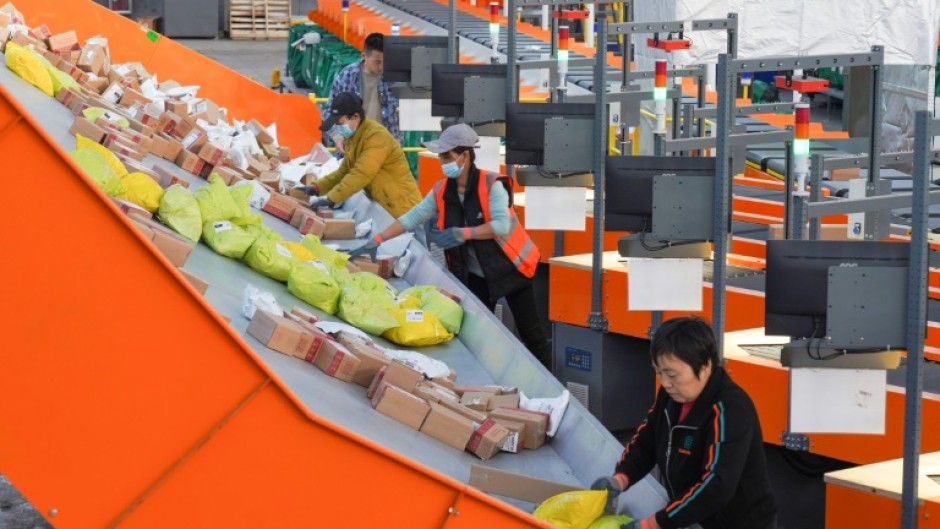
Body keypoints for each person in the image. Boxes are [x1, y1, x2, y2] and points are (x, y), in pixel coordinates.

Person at [348, 124, 552, 366]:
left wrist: (461, 233)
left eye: (447, 156)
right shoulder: (442, 191)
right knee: (478, 337)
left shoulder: (492, 185)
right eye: (441, 156)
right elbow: (412, 217)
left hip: (511, 269)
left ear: (465, 156)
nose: (442, 162)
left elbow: (500, 226)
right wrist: (377, 241)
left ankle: (552, 393)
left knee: (533, 336)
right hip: (476, 276)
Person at [592, 317, 777, 529]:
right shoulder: (671, 396)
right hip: (689, 517)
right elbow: (647, 440)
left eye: (672, 374)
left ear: (705, 365)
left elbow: (716, 486)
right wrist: (620, 479)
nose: (666, 383)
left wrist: (652, 524)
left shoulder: (729, 410)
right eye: (659, 372)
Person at [303, 92, 422, 217]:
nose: (338, 128)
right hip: (386, 208)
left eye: (340, 123)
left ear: (355, 117)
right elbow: (343, 172)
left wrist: (332, 199)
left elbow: (361, 174)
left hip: (404, 209)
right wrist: (316, 188)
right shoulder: (353, 138)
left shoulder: (377, 137)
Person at [328, 32, 400, 153]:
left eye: (385, 61)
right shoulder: (347, 76)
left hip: (386, 147)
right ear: (364, 56)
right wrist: (337, 137)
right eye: (377, 62)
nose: (382, 67)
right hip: (353, 147)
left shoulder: (395, 77)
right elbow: (329, 111)